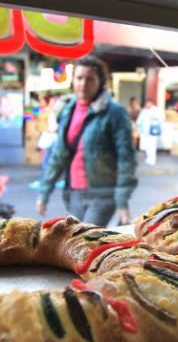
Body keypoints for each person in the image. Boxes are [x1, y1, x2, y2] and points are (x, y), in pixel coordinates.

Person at [36, 56, 137, 227]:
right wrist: (44, 193)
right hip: (73, 193)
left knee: (86, 239)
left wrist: (122, 202)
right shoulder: (67, 110)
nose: (83, 83)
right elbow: (58, 155)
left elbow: (126, 158)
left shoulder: (114, 113)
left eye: (90, 78)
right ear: (73, 80)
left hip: (102, 194)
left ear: (100, 82)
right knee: (77, 243)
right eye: (79, 78)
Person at [136, 100, 164, 165]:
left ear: (151, 103)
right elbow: (140, 119)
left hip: (153, 130)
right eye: (146, 104)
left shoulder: (156, 110)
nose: (146, 105)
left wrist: (156, 118)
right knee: (146, 145)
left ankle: (152, 159)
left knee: (152, 145)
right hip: (144, 131)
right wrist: (137, 125)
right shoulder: (144, 110)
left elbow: (162, 118)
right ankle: (148, 158)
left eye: (147, 103)